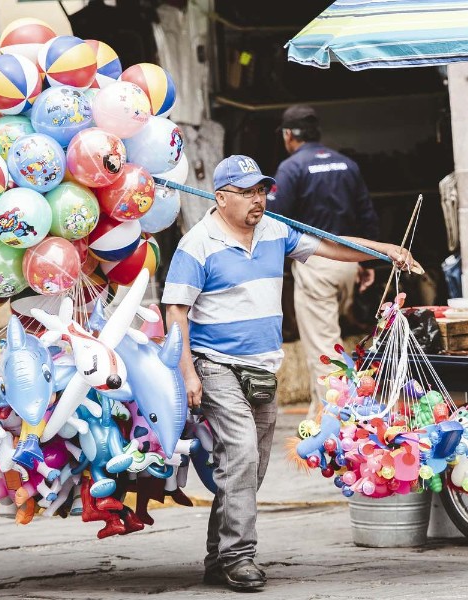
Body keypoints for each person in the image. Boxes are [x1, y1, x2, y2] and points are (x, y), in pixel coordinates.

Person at [162, 154, 418, 592]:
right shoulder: (197, 244)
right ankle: (240, 557)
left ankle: (217, 556)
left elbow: (329, 244)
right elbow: (175, 313)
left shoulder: (275, 232)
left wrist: (382, 250)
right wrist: (188, 374)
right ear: (221, 198)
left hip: (264, 369)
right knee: (240, 455)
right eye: (246, 193)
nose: (257, 200)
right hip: (216, 365)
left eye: (261, 190)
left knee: (250, 468)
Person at [269, 105, 381, 419]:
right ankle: (320, 414)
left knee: (323, 350)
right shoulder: (347, 165)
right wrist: (367, 263)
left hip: (316, 264)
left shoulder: (291, 169)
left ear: (289, 135)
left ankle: (342, 421)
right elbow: (367, 214)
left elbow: (277, 221)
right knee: (332, 341)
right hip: (349, 265)